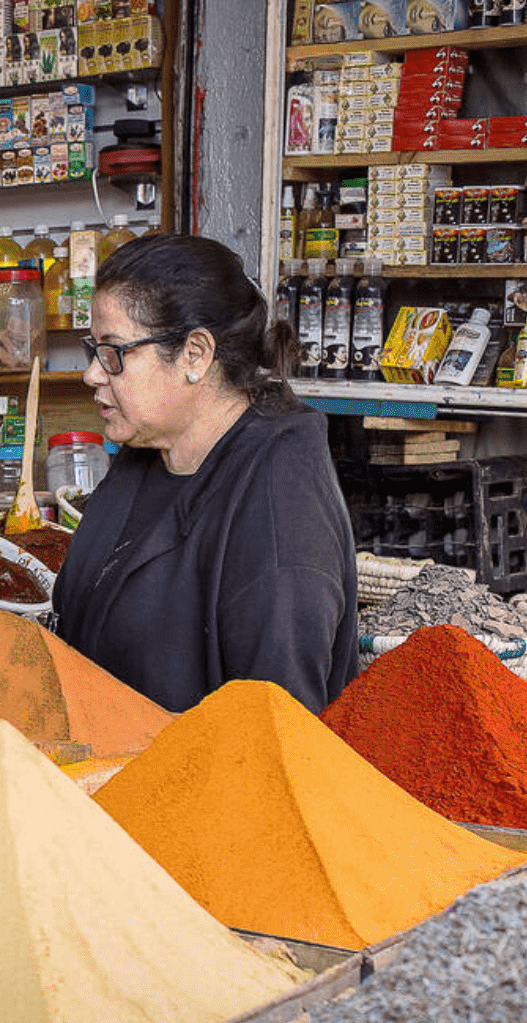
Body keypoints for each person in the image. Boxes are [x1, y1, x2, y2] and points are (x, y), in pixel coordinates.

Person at [51, 233, 358, 714]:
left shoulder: (281, 501)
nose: (92, 374)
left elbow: (276, 726)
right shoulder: (145, 456)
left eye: (113, 353)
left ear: (195, 354)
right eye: (94, 350)